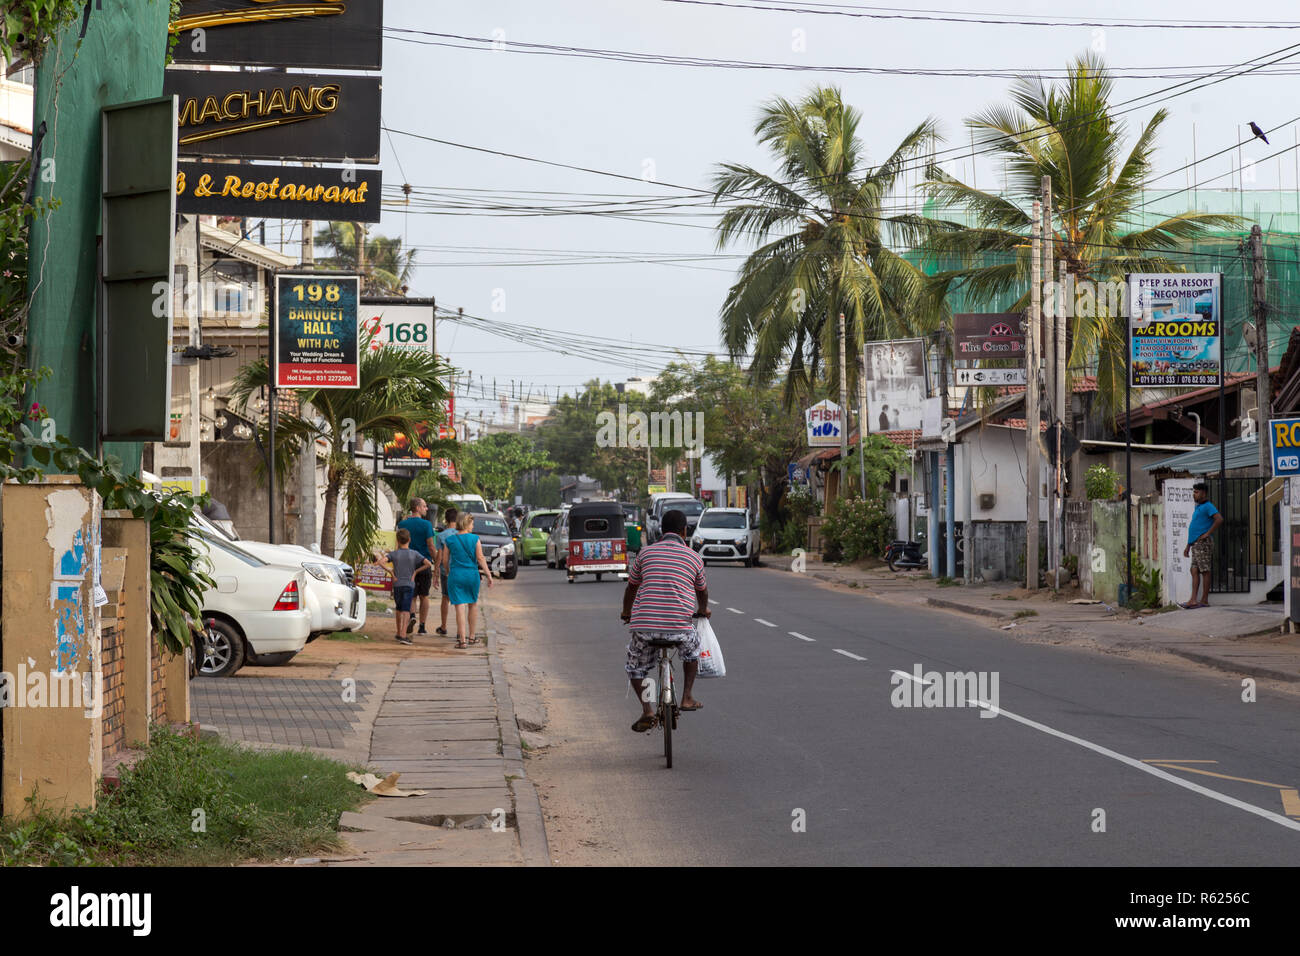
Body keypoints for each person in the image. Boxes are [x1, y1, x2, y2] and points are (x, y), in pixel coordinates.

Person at [619, 509, 709, 734]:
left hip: (645, 627)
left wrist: (626, 612)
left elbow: (631, 587)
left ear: (661, 530)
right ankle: (687, 697)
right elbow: (702, 591)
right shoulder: (694, 557)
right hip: (679, 627)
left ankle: (647, 710)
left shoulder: (645, 553)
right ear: (684, 531)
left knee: (635, 666)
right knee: (692, 651)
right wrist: (703, 609)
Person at [444, 512, 493, 648]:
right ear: (466, 523)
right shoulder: (475, 539)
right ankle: (472, 636)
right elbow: (481, 558)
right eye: (472, 523)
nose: (473, 526)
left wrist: (448, 572)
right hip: (472, 575)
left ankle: (462, 640)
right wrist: (489, 575)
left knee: (459, 606)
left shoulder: (449, 540)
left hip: (456, 575)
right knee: (473, 604)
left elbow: (445, 560)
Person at [384, 528, 431, 646]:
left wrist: (391, 573)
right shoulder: (414, 554)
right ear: (409, 540)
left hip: (397, 584)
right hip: (409, 585)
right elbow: (428, 564)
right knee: (406, 611)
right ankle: (403, 635)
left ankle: (399, 632)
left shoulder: (394, 554)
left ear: (397, 541)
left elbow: (380, 561)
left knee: (399, 609)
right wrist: (415, 572)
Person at [397, 498, 437, 635]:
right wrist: (436, 561)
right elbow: (431, 545)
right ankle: (422, 626)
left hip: (408, 563)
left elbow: (398, 545)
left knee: (412, 595)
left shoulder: (402, 524)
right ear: (418, 508)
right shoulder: (427, 525)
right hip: (424, 562)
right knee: (424, 596)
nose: (426, 509)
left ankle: (412, 615)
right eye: (425, 506)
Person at [1181, 481, 1224, 609]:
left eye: (1196, 492)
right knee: (1194, 570)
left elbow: (1219, 519)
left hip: (1203, 543)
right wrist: (1188, 546)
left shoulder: (1208, 506)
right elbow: (1195, 527)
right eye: (1194, 492)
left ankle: (1204, 600)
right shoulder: (1198, 507)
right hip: (1195, 544)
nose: (1194, 494)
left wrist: (1208, 533)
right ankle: (1193, 599)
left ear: (1203, 493)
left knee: (1205, 570)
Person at [434, 506, 459, 636]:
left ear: (446, 519)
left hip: (446, 571)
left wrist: (436, 573)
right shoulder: (462, 534)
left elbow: (440, 556)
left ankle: (443, 626)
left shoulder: (442, 536)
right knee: (460, 600)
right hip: (459, 570)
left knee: (445, 598)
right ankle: (461, 630)